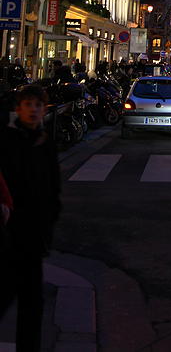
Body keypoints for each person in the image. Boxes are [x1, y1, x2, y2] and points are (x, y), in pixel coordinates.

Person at [0, 84, 61, 351]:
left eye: (38, 105)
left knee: (33, 303)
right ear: (19, 109)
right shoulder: (6, 140)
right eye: (28, 104)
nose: (34, 109)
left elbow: (53, 187)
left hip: (34, 236)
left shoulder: (45, 141)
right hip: (8, 234)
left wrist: (48, 224)